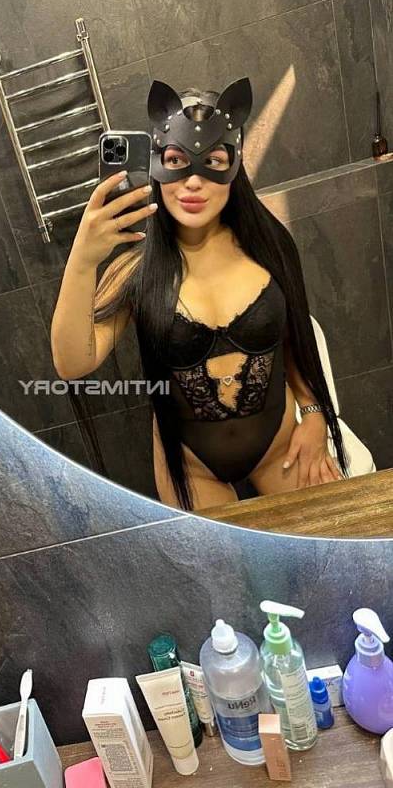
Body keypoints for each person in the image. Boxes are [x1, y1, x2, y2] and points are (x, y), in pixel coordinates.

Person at [51, 77, 348, 512]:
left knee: (324, 543)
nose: (193, 182)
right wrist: (82, 260)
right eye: (176, 160)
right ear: (156, 164)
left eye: (211, 161)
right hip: (191, 466)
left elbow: (295, 339)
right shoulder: (136, 271)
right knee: (232, 559)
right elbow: (72, 363)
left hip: (280, 444)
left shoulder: (269, 247)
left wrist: (316, 413)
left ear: (234, 165)